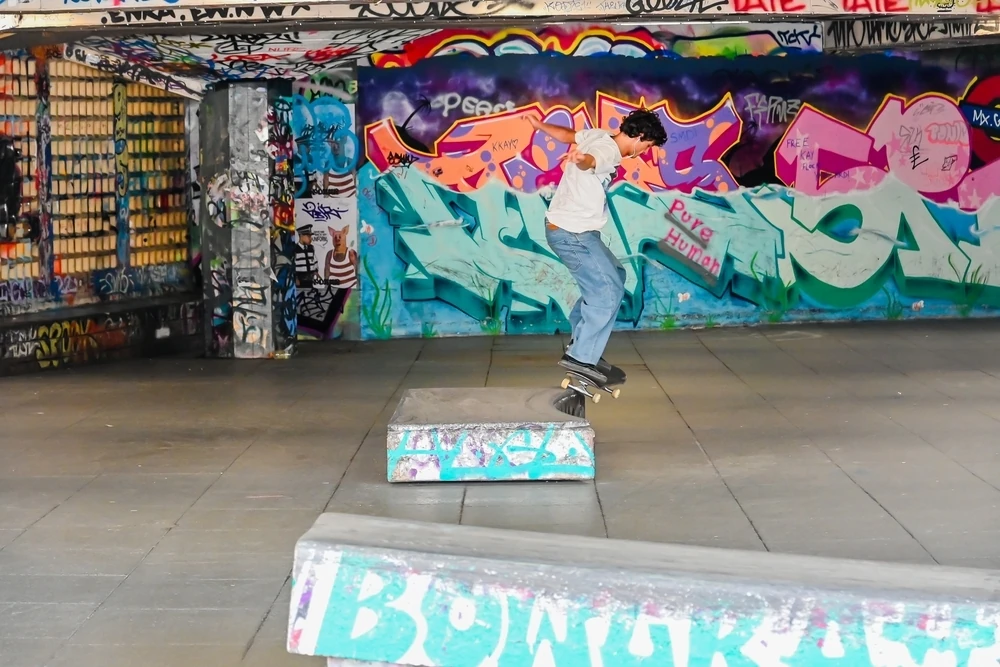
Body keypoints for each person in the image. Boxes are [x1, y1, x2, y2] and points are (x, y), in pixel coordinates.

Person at [527, 109, 667, 386]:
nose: (643, 153)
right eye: (647, 147)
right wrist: (582, 160)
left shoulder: (598, 135)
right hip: (572, 233)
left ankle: (584, 346)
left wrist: (539, 125)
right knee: (607, 291)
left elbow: (568, 135)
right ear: (639, 137)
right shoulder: (608, 150)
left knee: (616, 275)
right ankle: (581, 358)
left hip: (575, 232)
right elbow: (592, 161)